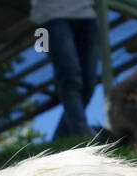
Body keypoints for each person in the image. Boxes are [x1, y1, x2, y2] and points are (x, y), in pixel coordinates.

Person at [31, 1, 100, 139]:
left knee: (88, 83)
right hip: (50, 16)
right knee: (70, 78)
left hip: (86, 13)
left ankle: (60, 138)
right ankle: (82, 134)